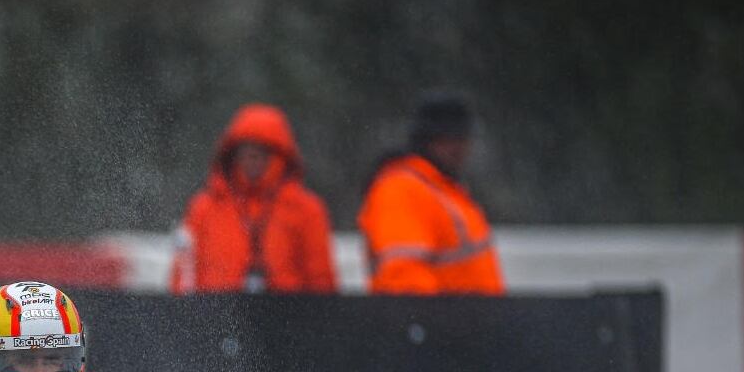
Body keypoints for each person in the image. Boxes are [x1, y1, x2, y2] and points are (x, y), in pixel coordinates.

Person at [170, 104, 336, 294]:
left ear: (281, 156)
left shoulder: (306, 210)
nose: (252, 158)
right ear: (232, 155)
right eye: (245, 150)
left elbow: (322, 284)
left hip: (287, 319)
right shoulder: (204, 207)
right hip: (217, 318)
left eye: (263, 151)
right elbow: (183, 278)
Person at [359, 94, 505, 295]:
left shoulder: (446, 190)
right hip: (441, 323)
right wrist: (431, 322)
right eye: (448, 139)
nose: (459, 148)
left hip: (470, 322)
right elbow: (404, 279)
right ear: (425, 140)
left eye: (462, 138)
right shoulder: (402, 189)